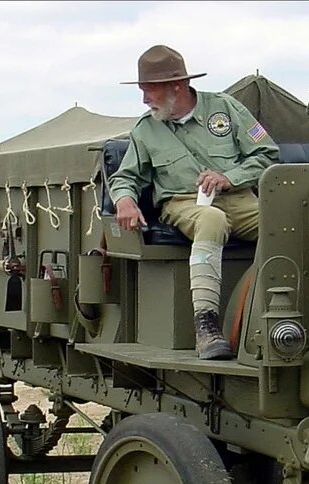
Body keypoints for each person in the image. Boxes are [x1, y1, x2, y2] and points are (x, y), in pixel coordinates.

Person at [109, 45, 280, 360]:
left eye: (150, 91)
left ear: (177, 87)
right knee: (211, 219)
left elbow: (266, 154)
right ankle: (206, 325)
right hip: (183, 203)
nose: (144, 99)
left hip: (238, 196)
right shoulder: (146, 130)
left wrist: (230, 176)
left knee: (284, 226)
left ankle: (283, 312)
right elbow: (125, 177)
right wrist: (125, 200)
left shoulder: (226, 109)